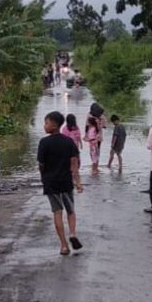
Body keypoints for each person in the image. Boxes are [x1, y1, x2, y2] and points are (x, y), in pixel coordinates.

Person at [38, 110, 84, 256]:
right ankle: (72, 233)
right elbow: (74, 164)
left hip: (51, 183)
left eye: (46, 122)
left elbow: (41, 164)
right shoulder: (68, 141)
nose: (45, 125)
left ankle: (64, 245)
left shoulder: (44, 142)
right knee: (70, 211)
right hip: (66, 182)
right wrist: (78, 182)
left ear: (53, 124)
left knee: (57, 212)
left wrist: (43, 177)